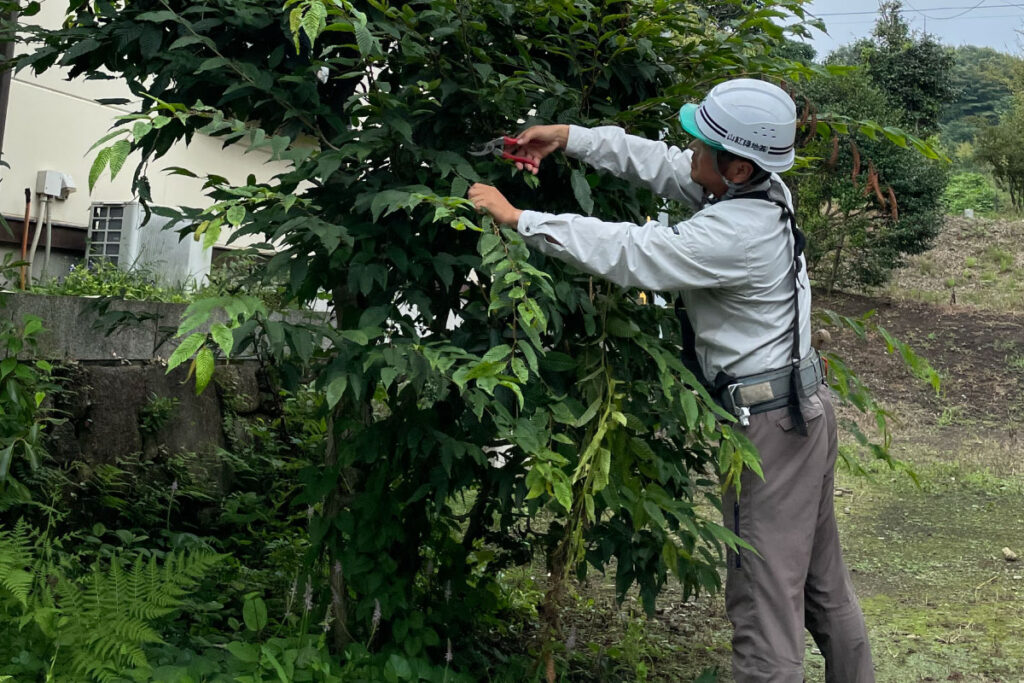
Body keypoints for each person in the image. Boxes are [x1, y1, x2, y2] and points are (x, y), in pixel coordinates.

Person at [468, 78, 875, 682]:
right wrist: (568, 137)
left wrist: (520, 218)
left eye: (701, 145)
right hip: (802, 410)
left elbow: (635, 250)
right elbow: (656, 162)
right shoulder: (762, 191)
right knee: (822, 589)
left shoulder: (733, 234)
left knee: (763, 610)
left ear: (735, 166)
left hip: (768, 427)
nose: (688, 154)